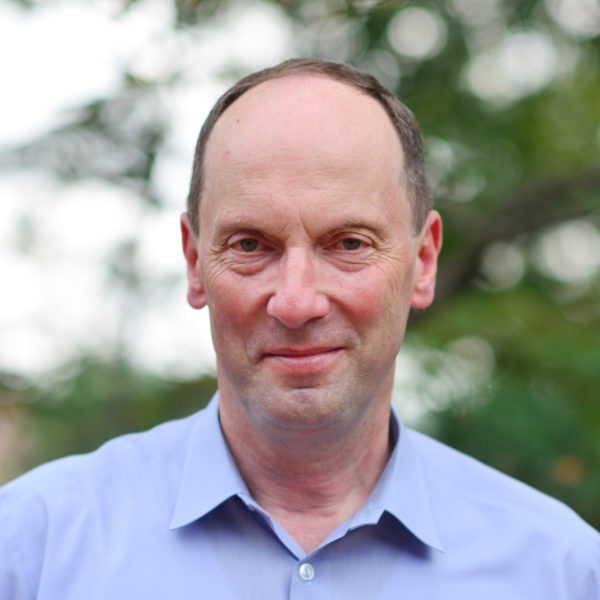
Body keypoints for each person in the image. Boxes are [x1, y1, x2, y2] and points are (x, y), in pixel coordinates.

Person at [1, 58, 598, 599]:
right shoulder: (32, 550)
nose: (296, 302)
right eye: (250, 245)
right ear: (194, 260)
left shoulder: (561, 572)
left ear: (423, 263)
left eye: (349, 244)